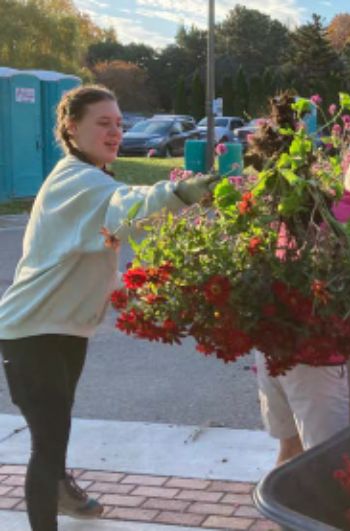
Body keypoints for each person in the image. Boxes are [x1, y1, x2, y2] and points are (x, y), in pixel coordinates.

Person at [0, 85, 215, 531]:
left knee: (54, 430)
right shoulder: (77, 181)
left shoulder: (88, 178)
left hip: (60, 330)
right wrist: (180, 193)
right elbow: (128, 205)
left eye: (119, 123)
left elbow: (91, 244)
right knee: (48, 440)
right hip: (31, 334)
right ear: (72, 129)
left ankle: (62, 491)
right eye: (103, 123)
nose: (115, 131)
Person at [254, 146, 350, 465]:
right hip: (316, 359)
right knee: (328, 463)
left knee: (290, 451)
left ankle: (279, 513)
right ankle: (312, 517)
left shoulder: (310, 209)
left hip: (271, 347)